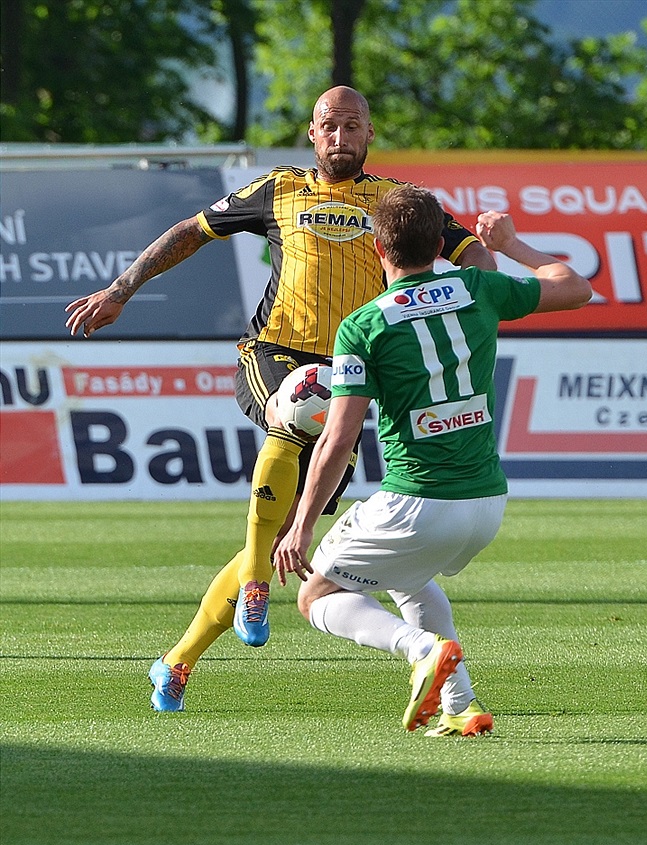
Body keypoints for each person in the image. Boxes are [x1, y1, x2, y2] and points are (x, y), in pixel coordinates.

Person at [64, 86, 495, 712]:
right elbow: (193, 229)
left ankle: (175, 661)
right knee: (294, 412)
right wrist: (123, 287)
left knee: (271, 537)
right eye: (330, 127)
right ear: (312, 133)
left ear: (370, 133)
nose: (341, 138)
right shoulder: (280, 188)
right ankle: (259, 588)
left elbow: (465, 250)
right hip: (276, 354)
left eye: (352, 127)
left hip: (350, 373)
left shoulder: (395, 203)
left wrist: (483, 275)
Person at [274, 185, 592, 736]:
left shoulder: (364, 326)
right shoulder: (476, 289)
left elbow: (339, 437)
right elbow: (575, 288)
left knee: (317, 594)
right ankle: (460, 704)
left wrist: (300, 526)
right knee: (406, 576)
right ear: (442, 242)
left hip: (417, 501)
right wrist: (512, 245)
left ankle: (418, 647)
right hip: (486, 504)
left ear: (378, 247)